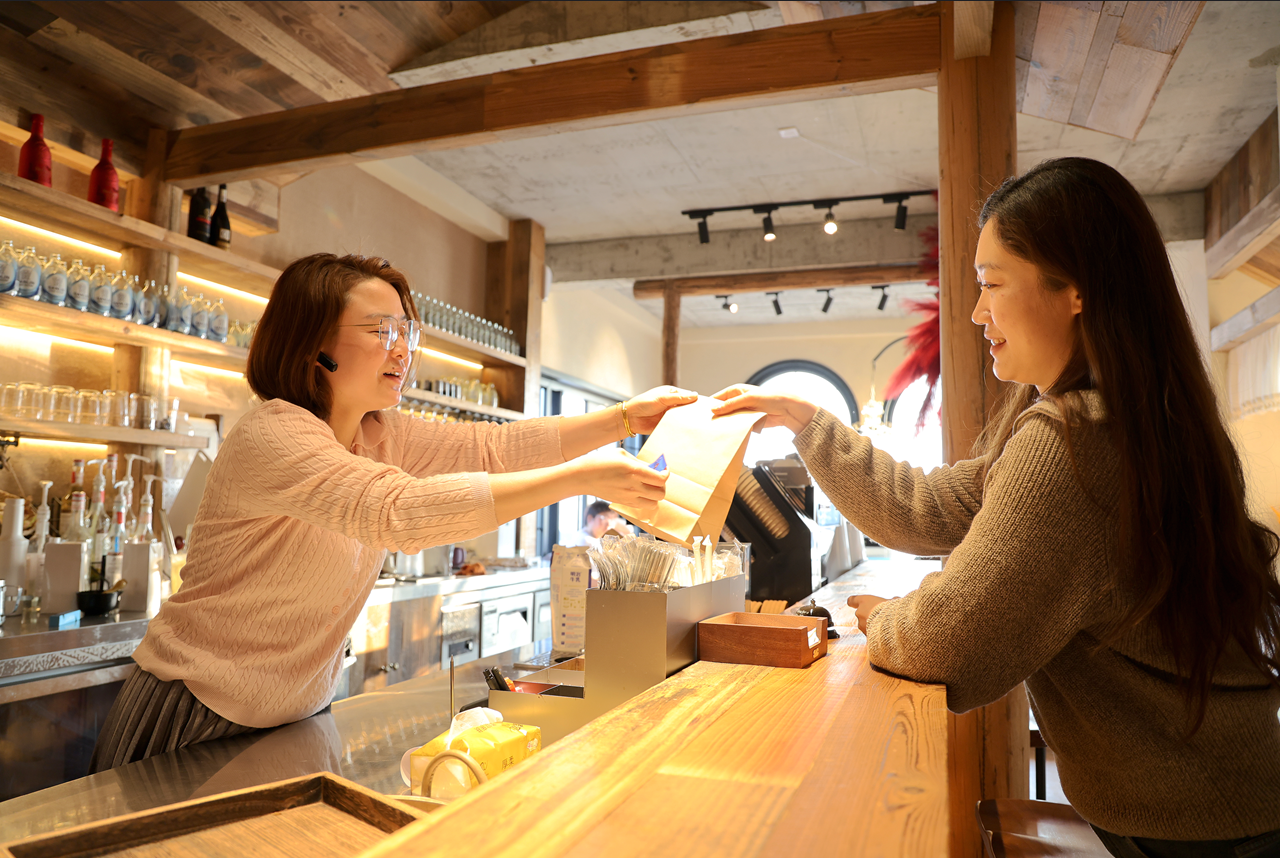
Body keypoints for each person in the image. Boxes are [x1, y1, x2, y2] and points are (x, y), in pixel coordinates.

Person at [712, 158, 1280, 855]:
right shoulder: (1131, 418)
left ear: (1075, 288)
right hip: (1228, 796)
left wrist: (889, 616)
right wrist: (808, 421)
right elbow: (933, 508)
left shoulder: (1076, 441)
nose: (978, 312)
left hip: (1198, 826)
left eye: (991, 285)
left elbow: (945, 644)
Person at [90, 253, 696, 772]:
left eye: (406, 333)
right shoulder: (275, 432)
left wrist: (621, 420)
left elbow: (492, 447)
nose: (402, 350)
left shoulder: (380, 433)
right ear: (313, 344)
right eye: (381, 330)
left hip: (297, 712)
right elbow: (398, 513)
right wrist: (584, 476)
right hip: (195, 708)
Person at [562, 500, 627, 550]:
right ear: (590, 519)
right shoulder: (586, 541)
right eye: (604, 518)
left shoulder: (583, 536)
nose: (608, 524)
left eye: (612, 519)